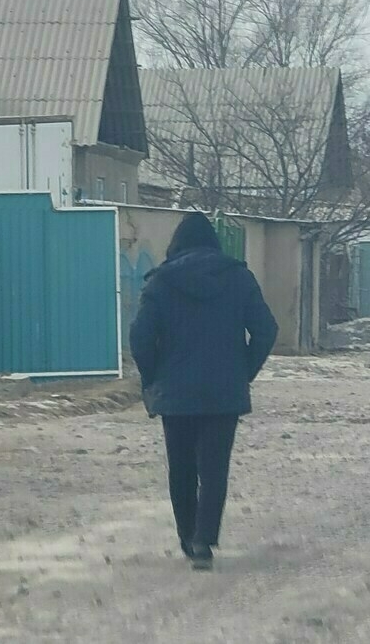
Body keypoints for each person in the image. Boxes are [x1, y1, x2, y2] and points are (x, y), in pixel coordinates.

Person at [129, 212, 278, 572]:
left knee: (180, 467)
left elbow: (139, 337)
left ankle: (186, 536)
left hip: (175, 393)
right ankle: (203, 540)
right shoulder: (238, 278)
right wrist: (243, 371)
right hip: (222, 392)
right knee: (213, 469)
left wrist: (153, 377)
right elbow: (266, 329)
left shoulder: (160, 283)